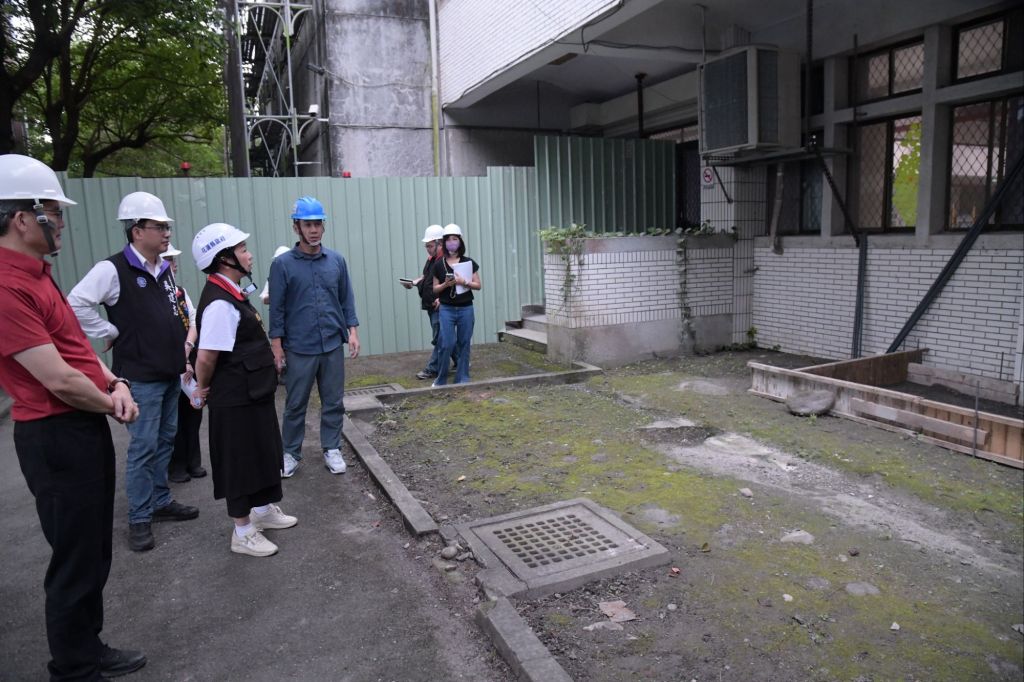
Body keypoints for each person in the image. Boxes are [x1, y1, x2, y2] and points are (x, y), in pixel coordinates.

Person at [0, 154, 147, 680]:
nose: (61, 222)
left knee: (92, 549)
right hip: (54, 435)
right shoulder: (6, 287)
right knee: (74, 558)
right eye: (54, 212)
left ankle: (88, 646)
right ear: (23, 218)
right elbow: (57, 379)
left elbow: (74, 350)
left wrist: (113, 381)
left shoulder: (39, 276)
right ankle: (74, 668)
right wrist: (113, 402)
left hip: (80, 425)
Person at [68, 191, 199, 552]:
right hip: (140, 379)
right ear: (137, 230)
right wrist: (110, 331)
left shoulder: (163, 270)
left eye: (167, 226)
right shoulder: (112, 270)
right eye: (160, 226)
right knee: (143, 447)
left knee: (165, 440)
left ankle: (160, 500)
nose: (167, 232)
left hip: (170, 373)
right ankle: (139, 517)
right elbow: (75, 304)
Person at [190, 223, 298, 557]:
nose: (249, 255)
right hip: (234, 398)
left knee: (262, 451)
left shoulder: (232, 293)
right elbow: (206, 357)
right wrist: (201, 389)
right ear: (224, 258)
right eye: (242, 250)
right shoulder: (220, 303)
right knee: (239, 460)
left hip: (253, 393)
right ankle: (242, 531)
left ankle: (262, 510)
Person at [268, 196, 360, 478]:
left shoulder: (336, 261)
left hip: (331, 344)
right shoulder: (282, 265)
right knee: (296, 403)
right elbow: (277, 309)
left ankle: (332, 448)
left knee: (333, 401)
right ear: (296, 227)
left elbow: (346, 299)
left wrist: (353, 332)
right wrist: (277, 347)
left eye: (318, 224)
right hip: (299, 347)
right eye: (307, 225)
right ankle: (290, 452)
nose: (314, 230)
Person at [162, 244, 207, 483]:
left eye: (173, 259)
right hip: (169, 363)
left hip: (188, 358)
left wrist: (188, 350)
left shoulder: (180, 292)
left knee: (194, 409)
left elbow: (193, 319)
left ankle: (193, 461)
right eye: (169, 259)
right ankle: (176, 465)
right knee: (175, 416)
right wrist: (181, 360)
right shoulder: (154, 294)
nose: (174, 264)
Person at [430, 223, 481, 386]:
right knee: (447, 343)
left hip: (466, 308)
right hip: (447, 309)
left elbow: (478, 285)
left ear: (460, 241)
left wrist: (463, 282)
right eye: (448, 240)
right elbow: (435, 288)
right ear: (443, 243)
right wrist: (446, 284)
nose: (451, 243)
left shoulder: (468, 262)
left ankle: (462, 378)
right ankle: (441, 379)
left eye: (454, 239)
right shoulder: (439, 264)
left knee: (464, 343)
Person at [404, 224, 455, 381]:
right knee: (443, 336)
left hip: (441, 306)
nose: (427, 249)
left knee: (439, 338)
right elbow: (426, 277)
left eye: (430, 246)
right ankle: (461, 361)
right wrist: (414, 282)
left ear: (440, 243)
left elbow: (454, 283)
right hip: (431, 305)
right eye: (426, 246)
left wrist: (443, 299)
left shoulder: (448, 261)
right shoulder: (432, 260)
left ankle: (433, 368)